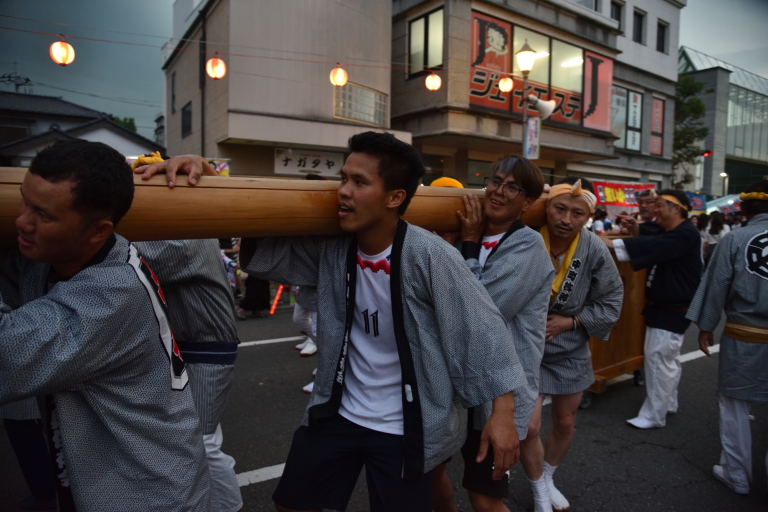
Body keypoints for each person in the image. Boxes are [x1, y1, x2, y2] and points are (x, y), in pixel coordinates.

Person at [138, 132, 528, 512]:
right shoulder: (334, 245)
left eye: (360, 182)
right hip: (338, 408)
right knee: (291, 503)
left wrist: (503, 414)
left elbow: (482, 329)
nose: (343, 190)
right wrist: (208, 177)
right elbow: (264, 248)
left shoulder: (432, 257)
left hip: (404, 424)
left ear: (395, 197)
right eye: (343, 178)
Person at [0, 140, 210, 511]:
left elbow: (8, 358)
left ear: (99, 230)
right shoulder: (55, 253)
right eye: (23, 201)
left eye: (44, 215)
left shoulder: (114, 292)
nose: (21, 221)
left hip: (150, 492)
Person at [432, 156, 554, 512]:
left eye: (512, 186)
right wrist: (460, 242)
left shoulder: (527, 246)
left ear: (528, 202)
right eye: (495, 181)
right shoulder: (471, 232)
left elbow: (483, 309)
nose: (499, 191)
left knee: (485, 497)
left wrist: (468, 245)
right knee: (428, 473)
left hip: (498, 391)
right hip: (455, 384)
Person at [522, 178, 623, 512]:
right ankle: (538, 492)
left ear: (588, 217)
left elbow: (612, 298)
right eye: (560, 208)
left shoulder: (593, 247)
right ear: (546, 207)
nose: (566, 219)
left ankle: (548, 477)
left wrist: (571, 320)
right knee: (530, 425)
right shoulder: (527, 237)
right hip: (526, 345)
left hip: (569, 346)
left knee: (565, 423)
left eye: (577, 213)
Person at [134, 239, 243, 512]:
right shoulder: (175, 229)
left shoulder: (188, 236)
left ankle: (232, 507)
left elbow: (137, 259)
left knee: (201, 442)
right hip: (190, 342)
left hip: (208, 346)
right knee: (203, 434)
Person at [687, 179, 768, 495]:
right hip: (745, 334)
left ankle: (736, 474)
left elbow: (716, 286)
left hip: (743, 335)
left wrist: (706, 327)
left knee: (734, 404)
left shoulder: (734, 240)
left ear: (744, 208)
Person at [607, 189, 702, 429]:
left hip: (673, 308)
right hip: (665, 307)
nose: (654, 209)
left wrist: (609, 243)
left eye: (659, 205)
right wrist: (634, 230)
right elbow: (650, 236)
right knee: (667, 360)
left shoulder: (684, 234)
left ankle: (653, 416)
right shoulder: (675, 232)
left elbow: (653, 244)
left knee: (660, 360)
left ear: (676, 208)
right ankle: (668, 403)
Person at [1, 398, 57, 510]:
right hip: (51, 389)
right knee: (58, 433)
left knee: (24, 435)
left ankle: (46, 494)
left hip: (19, 394)